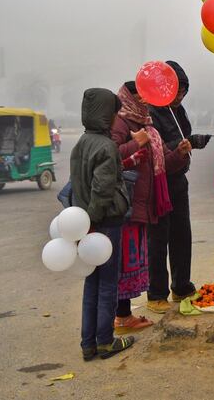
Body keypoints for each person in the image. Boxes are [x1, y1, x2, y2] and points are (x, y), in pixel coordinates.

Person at [111, 82, 191, 320]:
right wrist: (137, 143)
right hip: (132, 198)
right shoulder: (120, 122)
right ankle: (139, 306)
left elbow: (163, 160)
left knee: (151, 248)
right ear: (128, 97)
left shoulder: (147, 122)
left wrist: (179, 152)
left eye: (146, 96)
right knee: (137, 254)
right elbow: (110, 155)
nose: (144, 101)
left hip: (155, 196)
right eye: (139, 96)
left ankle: (129, 313)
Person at [69, 88, 134, 361]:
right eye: (113, 111)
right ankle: (106, 342)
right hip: (104, 223)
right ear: (105, 114)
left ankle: (88, 344)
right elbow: (102, 189)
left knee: (91, 282)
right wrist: (95, 222)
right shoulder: (106, 146)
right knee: (108, 283)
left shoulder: (81, 142)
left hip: (84, 223)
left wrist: (85, 223)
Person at [148, 61, 211, 306]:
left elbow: (181, 137)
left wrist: (193, 142)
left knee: (181, 234)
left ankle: (182, 286)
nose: (180, 96)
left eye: (184, 91)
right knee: (158, 239)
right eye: (176, 91)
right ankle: (157, 293)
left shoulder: (179, 110)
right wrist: (181, 147)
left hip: (178, 181)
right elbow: (158, 151)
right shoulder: (152, 113)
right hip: (158, 184)